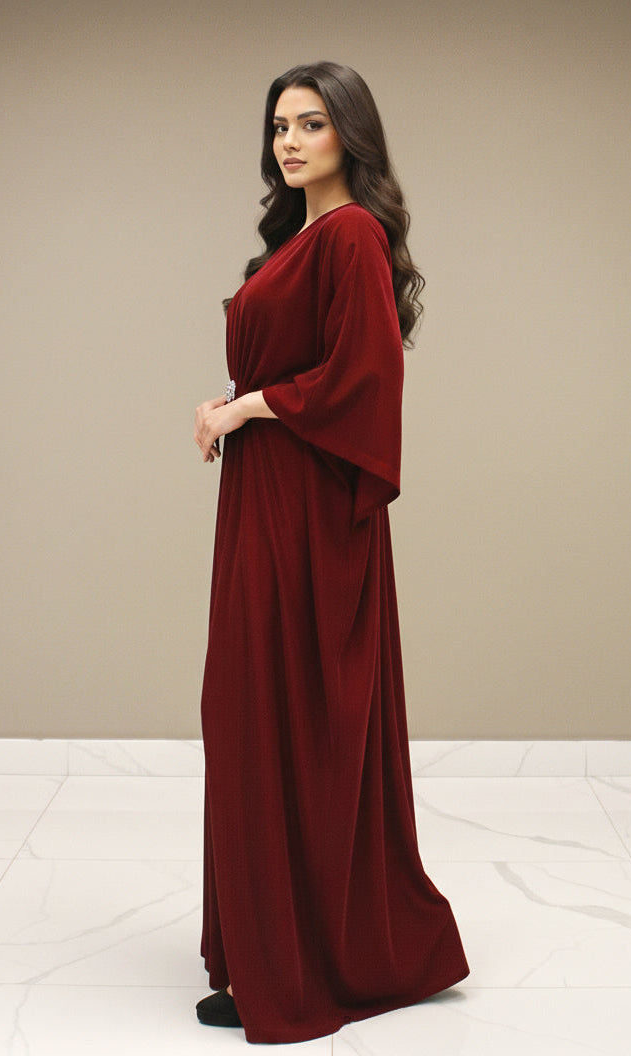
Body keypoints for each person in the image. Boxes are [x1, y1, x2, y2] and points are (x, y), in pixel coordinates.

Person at [193, 61, 469, 1045]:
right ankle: (273, 949)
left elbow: (364, 374)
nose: (290, 141)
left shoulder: (350, 233)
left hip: (306, 511)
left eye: (311, 123)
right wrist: (232, 403)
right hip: (266, 497)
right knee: (251, 711)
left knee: (283, 712)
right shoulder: (301, 241)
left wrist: (249, 407)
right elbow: (295, 362)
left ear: (349, 134)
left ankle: (299, 962)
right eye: (280, 126)